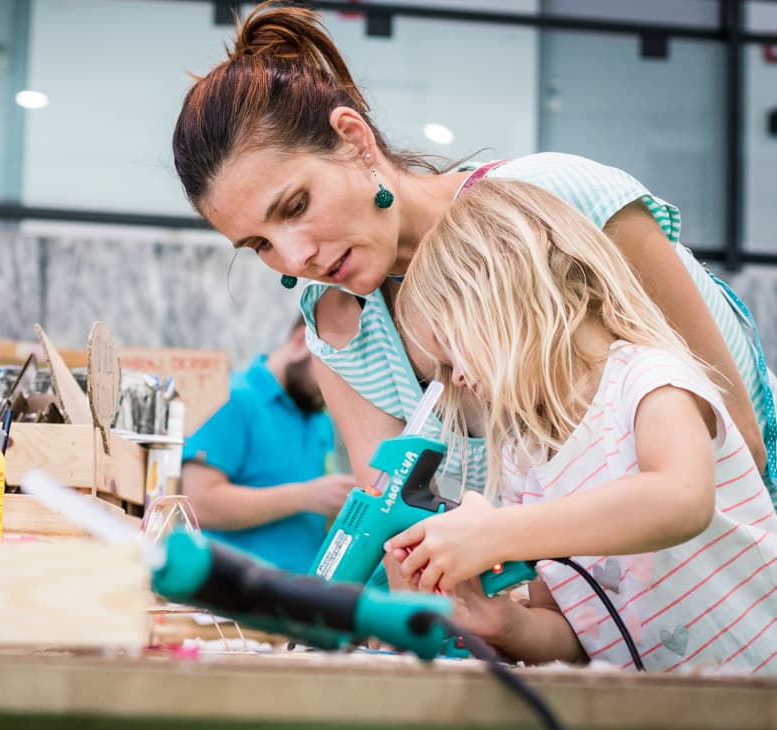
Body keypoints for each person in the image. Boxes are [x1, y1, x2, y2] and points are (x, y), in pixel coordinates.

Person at [171, 1, 777, 503]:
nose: (294, 256)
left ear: (354, 140)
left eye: (296, 205)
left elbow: (738, 440)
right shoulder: (339, 332)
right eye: (259, 245)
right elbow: (396, 519)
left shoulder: (560, 200)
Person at [380, 179, 777, 674]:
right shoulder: (525, 455)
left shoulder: (648, 379)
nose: (457, 378)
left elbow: (680, 500)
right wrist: (493, 620)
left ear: (507, 294)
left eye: (451, 349)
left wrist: (497, 533)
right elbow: (579, 634)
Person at [181, 317, 355, 573]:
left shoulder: (319, 417)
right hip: (230, 598)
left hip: (297, 599)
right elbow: (197, 502)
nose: (339, 386)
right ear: (300, 342)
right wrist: (305, 496)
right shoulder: (232, 396)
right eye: (336, 370)